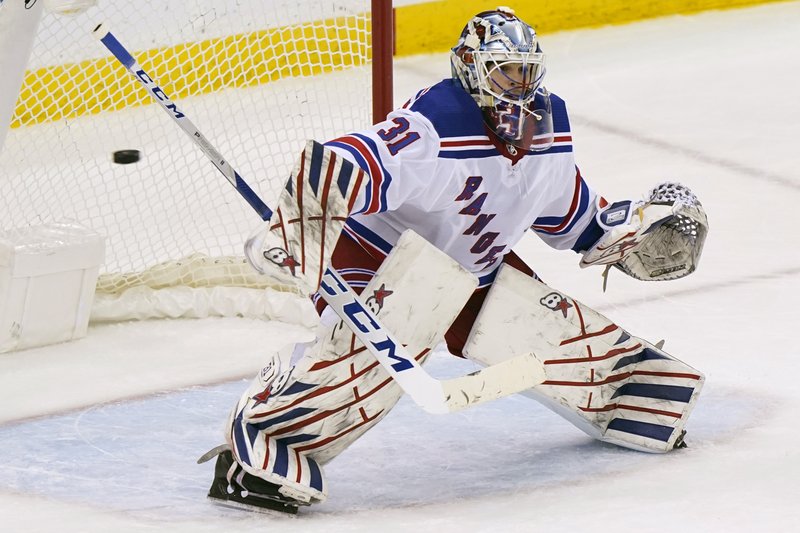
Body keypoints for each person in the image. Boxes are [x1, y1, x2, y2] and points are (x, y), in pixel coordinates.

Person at [204, 7, 708, 514]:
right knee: (368, 361)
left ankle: (630, 396)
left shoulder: (548, 135)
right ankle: (257, 452)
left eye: (527, 71)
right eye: (505, 71)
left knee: (546, 332)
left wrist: (634, 238)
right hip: (380, 256)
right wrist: (299, 223)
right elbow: (341, 163)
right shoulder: (431, 129)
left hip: (473, 267)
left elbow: (576, 222)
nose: (519, 85)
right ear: (471, 69)